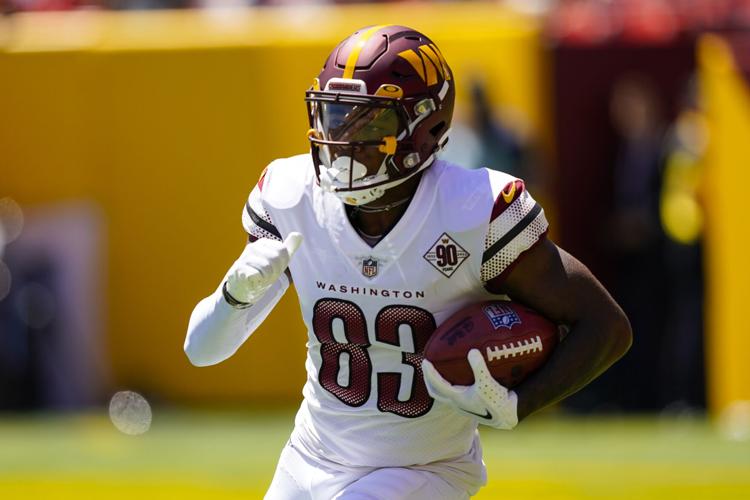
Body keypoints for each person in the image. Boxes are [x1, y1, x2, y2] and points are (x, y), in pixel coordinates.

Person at [184, 25, 632, 499]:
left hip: (425, 469)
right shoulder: (291, 194)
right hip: (309, 457)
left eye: (368, 125)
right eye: (335, 117)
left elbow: (606, 326)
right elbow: (201, 351)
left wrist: (523, 402)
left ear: (427, 128)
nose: (342, 141)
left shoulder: (472, 210)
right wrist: (235, 297)